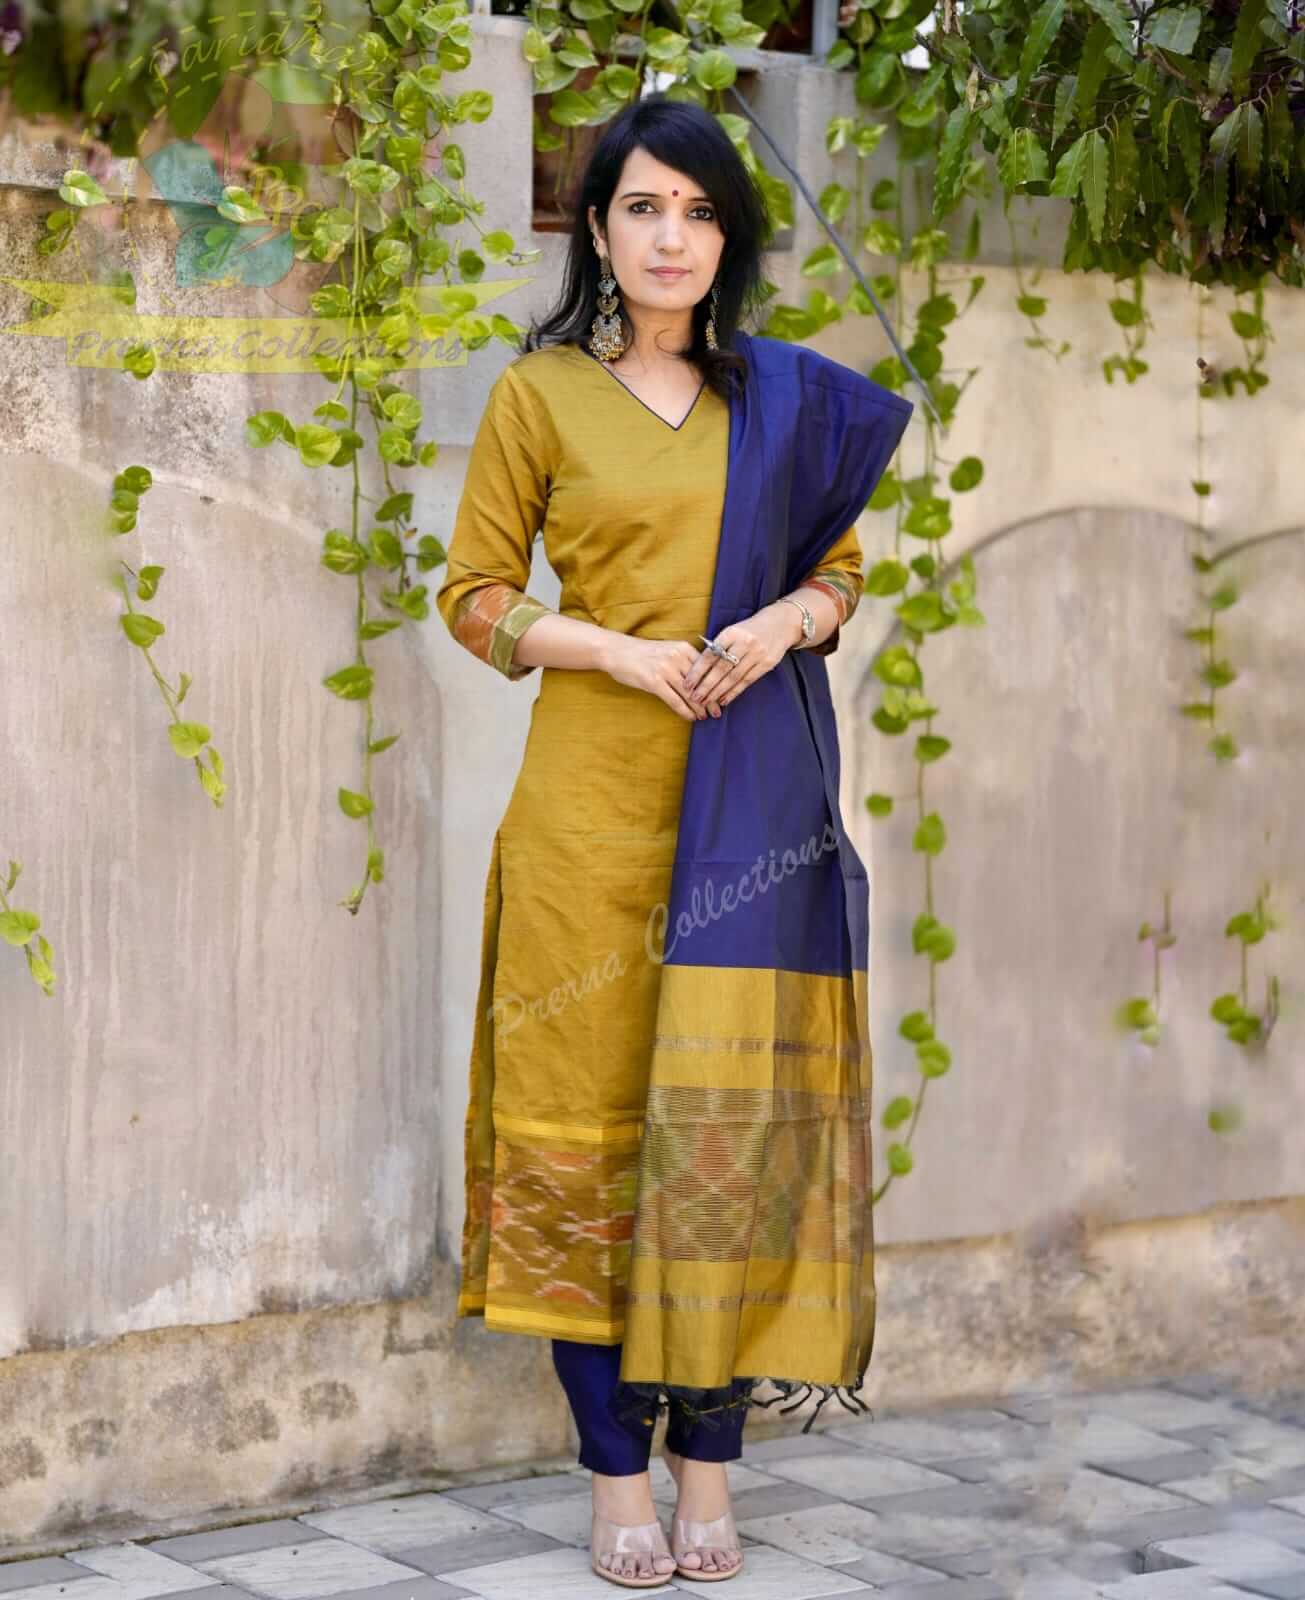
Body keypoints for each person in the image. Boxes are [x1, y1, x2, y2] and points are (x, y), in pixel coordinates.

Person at [436, 93, 912, 1590]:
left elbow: (837, 567)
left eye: (699, 213)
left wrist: (779, 626)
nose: (670, 237)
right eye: (642, 207)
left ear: (728, 239)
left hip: (747, 819)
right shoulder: (540, 396)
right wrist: (618, 653)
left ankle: (710, 1462)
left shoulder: (778, 400)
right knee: (585, 1138)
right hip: (587, 828)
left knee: (724, 1144)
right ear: (596, 228)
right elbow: (472, 596)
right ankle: (612, 1474)